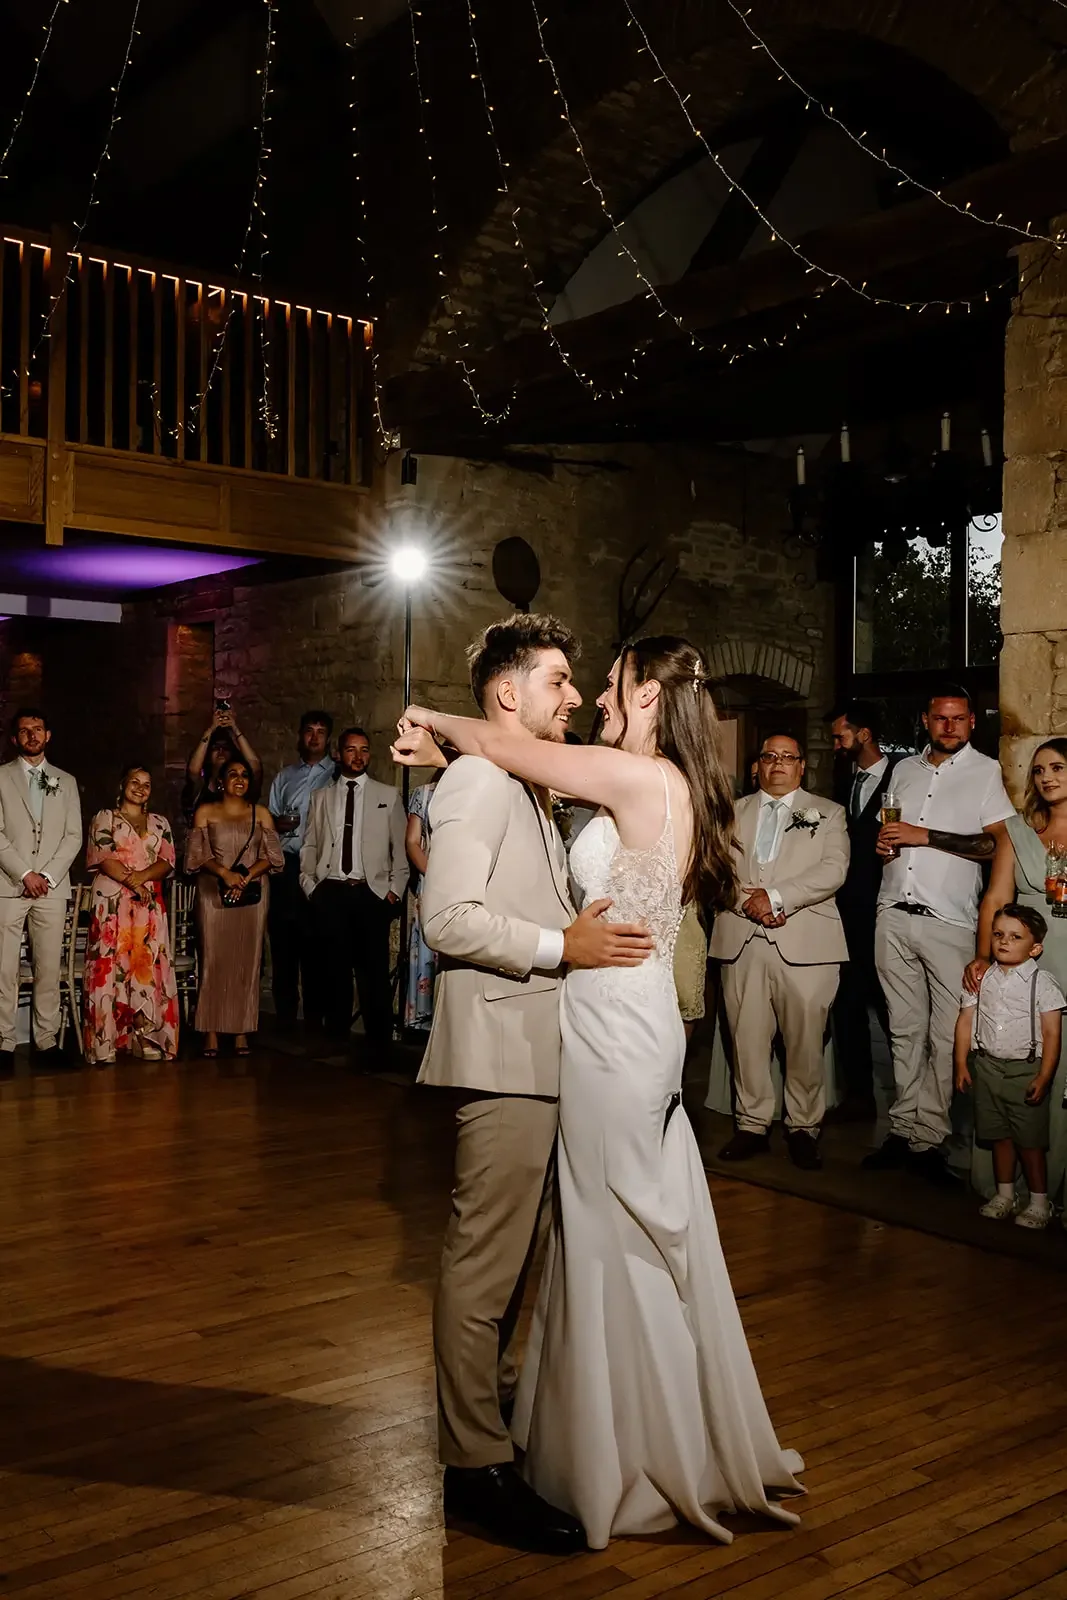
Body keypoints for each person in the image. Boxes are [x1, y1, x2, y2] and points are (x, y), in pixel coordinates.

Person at [398, 626, 803, 1553]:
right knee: (584, 1239)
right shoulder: (623, 779)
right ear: (511, 692)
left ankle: (622, 1444)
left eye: (606, 684)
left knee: (608, 1237)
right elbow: (462, 899)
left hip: (611, 1033)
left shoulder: (635, 777)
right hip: (580, 1030)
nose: (588, 697)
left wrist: (433, 720)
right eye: (565, 681)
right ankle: (538, 1447)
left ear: (651, 697)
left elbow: (500, 750)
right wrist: (454, 761)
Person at [864, 686, 1014, 1184]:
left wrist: (923, 836)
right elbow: (889, 833)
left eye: (958, 718)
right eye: (939, 718)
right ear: (926, 721)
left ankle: (929, 1138)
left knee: (948, 1034)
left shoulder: (985, 771)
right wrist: (886, 846)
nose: (949, 726)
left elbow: (995, 845)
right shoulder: (903, 770)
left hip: (949, 921)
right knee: (903, 1030)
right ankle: (903, 1128)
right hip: (892, 912)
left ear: (972, 722)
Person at [710, 732, 849, 1172]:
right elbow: (713, 867)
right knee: (745, 1040)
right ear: (757, 765)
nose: (778, 763)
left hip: (806, 944)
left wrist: (774, 897)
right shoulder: (731, 812)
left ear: (801, 766)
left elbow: (834, 870)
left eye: (788, 757)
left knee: (805, 1043)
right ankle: (751, 1124)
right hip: (741, 940)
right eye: (769, 756)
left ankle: (804, 1128)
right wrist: (746, 902)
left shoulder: (826, 812)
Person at [963, 738, 1067, 1211]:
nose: (1047, 778)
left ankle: (1053, 1190)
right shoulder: (1018, 831)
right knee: (1017, 1061)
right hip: (1025, 961)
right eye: (1040, 770)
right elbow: (994, 898)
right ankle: (1010, 1189)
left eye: (1058, 768)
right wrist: (983, 956)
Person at [954, 903, 1064, 1230]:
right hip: (987, 1067)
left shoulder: (1042, 983)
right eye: (998, 934)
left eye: (1016, 937)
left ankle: (1039, 1201)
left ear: (1035, 948)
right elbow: (965, 1021)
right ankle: (1005, 1195)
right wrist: (961, 1063)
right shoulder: (980, 978)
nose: (1004, 941)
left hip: (1024, 1071)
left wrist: (1044, 1075)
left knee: (1029, 1141)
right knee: (998, 1136)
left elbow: (1051, 1033)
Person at [300, 728, 407, 1063]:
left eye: (364, 750)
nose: (358, 756)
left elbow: (401, 848)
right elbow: (310, 843)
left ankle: (379, 1046)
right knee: (334, 970)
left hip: (370, 893)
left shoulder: (387, 795)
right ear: (339, 754)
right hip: (331, 890)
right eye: (351, 750)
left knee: (373, 973)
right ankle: (336, 1039)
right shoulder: (321, 797)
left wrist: (394, 891)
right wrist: (310, 885)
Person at [0, 708, 82, 1074]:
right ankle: (3, 1042)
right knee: (3, 968)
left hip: (52, 888)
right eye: (24, 731)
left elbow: (73, 836)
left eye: (37, 729)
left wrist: (46, 876)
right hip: (8, 885)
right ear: (14, 739)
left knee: (48, 967)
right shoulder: (1, 777)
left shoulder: (66, 781)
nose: (32, 735)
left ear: (48, 735)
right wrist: (24, 873)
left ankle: (46, 1041)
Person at [827, 700, 897, 1123]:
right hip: (846, 913)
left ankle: (910, 1102)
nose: (836, 744)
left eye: (841, 736)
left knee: (892, 1008)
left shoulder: (900, 777)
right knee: (847, 1004)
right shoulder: (842, 781)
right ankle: (859, 1097)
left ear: (864, 734)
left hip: (886, 909)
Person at [185, 758, 283, 1057]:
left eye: (244, 775)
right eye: (233, 774)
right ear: (220, 781)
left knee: (247, 961)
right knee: (213, 960)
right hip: (213, 891)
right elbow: (195, 856)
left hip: (252, 892)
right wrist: (225, 874)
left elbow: (274, 857)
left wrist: (245, 876)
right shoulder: (205, 811)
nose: (240, 779)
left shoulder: (260, 813)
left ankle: (242, 1031)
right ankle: (211, 1031)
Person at [83, 766, 179, 1064]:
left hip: (147, 904)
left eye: (146, 784)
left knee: (145, 966)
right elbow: (103, 856)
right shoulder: (105, 817)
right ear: (123, 785)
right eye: (134, 782)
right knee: (110, 965)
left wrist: (142, 879)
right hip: (113, 902)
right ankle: (105, 1041)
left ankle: (143, 1033)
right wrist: (133, 883)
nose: (140, 788)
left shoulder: (160, 822)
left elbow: (168, 860)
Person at [267, 710, 336, 1029]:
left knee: (316, 945)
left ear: (328, 738)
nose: (314, 737)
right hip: (286, 864)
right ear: (301, 735)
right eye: (309, 730)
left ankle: (314, 1018)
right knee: (283, 942)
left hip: (320, 866)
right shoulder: (285, 777)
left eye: (321, 731)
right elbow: (268, 822)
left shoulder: (336, 774)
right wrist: (277, 824)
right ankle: (284, 1017)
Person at [404, 772, 440, 1031]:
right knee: (430, 947)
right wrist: (434, 874)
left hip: (469, 877)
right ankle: (425, 1017)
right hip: (433, 879)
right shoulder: (424, 793)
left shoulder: (481, 787)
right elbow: (412, 841)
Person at [182, 706, 262, 823]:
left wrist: (235, 729)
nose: (221, 751)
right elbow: (193, 770)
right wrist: (210, 729)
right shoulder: (202, 784)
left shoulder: (241, 785)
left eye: (225, 748)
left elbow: (255, 767)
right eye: (216, 748)